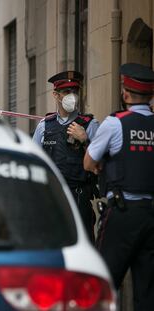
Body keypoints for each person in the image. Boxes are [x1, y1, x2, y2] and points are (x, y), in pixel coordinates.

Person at [84, 63, 154, 311]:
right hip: (151, 213)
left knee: (104, 283)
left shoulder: (115, 123)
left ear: (125, 93)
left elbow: (89, 162)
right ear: (151, 96)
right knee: (147, 290)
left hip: (122, 213)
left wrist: (104, 164)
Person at [33, 70, 99, 242]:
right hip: (52, 198)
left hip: (79, 196)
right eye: (66, 92)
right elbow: (34, 163)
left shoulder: (90, 125)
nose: (72, 96)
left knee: (83, 245)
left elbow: (101, 163)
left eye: (75, 91)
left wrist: (85, 140)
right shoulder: (44, 126)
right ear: (56, 95)